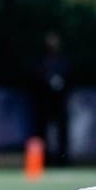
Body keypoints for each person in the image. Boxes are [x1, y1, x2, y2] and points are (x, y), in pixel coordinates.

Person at [31, 32, 72, 165]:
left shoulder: (63, 59)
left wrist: (61, 83)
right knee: (42, 131)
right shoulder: (41, 60)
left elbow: (70, 76)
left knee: (62, 131)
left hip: (60, 100)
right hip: (44, 101)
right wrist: (48, 81)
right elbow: (36, 76)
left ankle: (63, 159)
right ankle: (44, 160)